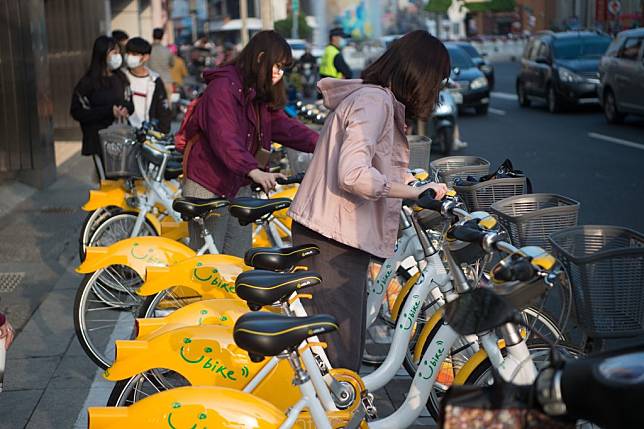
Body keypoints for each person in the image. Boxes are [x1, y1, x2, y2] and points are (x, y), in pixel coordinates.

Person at [288, 30, 451, 372]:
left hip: (335, 235)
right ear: (419, 74)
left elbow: (376, 166)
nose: (437, 91)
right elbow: (354, 174)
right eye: (438, 81)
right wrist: (413, 193)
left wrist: (416, 183)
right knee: (339, 360)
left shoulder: (375, 100)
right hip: (330, 240)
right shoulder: (374, 102)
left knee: (344, 351)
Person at [181, 30, 319, 257]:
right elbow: (224, 139)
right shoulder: (223, 88)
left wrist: (324, 141)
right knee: (209, 264)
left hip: (238, 183)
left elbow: (285, 127)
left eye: (283, 68)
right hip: (208, 184)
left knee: (237, 260)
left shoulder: (257, 93)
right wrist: (253, 170)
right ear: (259, 58)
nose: (279, 74)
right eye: (276, 66)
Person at [70, 35, 134, 180]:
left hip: (122, 140)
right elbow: (77, 111)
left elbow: (130, 103)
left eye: (118, 52)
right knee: (107, 183)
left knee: (125, 182)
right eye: (114, 53)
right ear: (102, 54)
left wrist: (125, 109)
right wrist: (108, 111)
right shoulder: (87, 83)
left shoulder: (121, 78)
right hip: (99, 141)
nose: (118, 56)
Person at [123, 37, 172, 133]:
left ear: (145, 57)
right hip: (125, 134)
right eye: (128, 53)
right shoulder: (122, 77)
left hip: (147, 135)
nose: (129, 57)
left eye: (134, 54)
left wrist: (162, 132)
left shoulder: (154, 80)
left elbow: (163, 111)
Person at [149, 28, 175, 107]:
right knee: (167, 104)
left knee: (153, 105)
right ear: (162, 37)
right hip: (166, 80)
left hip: (151, 80)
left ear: (152, 36)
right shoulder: (167, 50)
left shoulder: (148, 50)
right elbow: (172, 64)